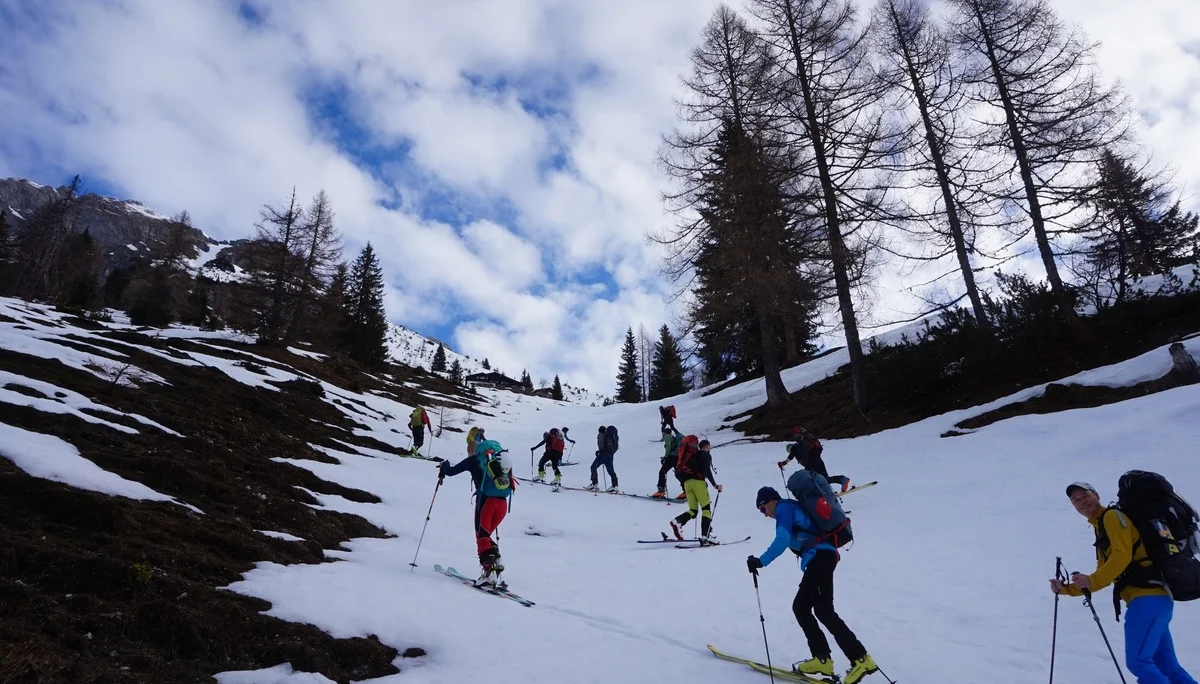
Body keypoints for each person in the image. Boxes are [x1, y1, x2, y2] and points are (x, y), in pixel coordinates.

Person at [1050, 482, 1196, 684]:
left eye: (1085, 495)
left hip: (1146, 599)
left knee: (1138, 662)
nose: (1081, 501)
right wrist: (1067, 589)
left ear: (1097, 495)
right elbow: (1106, 573)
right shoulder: (1101, 528)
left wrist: (1091, 579)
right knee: (1168, 666)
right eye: (1076, 499)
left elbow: (1121, 556)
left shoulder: (1111, 517)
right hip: (1155, 600)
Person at [747, 487, 877, 684]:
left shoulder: (784, 508)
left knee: (824, 611)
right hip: (820, 558)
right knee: (801, 607)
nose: (765, 515)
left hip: (820, 558)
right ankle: (822, 659)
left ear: (770, 501)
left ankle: (860, 659)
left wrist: (761, 561)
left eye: (763, 509)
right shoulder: (790, 508)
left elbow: (782, 539)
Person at [438, 438, 516, 588]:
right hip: (503, 504)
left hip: (485, 504)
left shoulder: (474, 460)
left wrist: (444, 465)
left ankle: (488, 574)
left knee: (481, 537)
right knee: (485, 536)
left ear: (471, 451)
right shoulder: (496, 459)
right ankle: (496, 561)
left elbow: (451, 471)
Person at [667, 438, 723, 544]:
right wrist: (715, 485)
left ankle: (677, 521)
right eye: (709, 447)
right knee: (706, 509)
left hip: (687, 483)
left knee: (693, 510)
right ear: (707, 446)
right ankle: (705, 536)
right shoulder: (705, 455)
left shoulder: (693, 455)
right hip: (698, 483)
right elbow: (707, 470)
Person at [779, 426, 849, 493]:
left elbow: (790, 457)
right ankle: (842, 479)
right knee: (824, 479)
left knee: (812, 481)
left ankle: (821, 494)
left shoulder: (795, 447)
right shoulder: (805, 445)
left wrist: (783, 463)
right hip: (818, 460)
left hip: (810, 463)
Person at [652, 425, 687, 500]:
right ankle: (686, 491)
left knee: (662, 472)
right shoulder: (674, 438)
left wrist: (666, 456)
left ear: (664, 433)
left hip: (671, 457)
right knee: (678, 474)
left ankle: (660, 491)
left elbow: (668, 446)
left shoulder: (667, 437)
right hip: (677, 458)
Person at [587, 425, 619, 493]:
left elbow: (601, 446)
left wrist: (599, 451)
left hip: (603, 455)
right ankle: (615, 485)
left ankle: (594, 483)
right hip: (610, 455)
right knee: (611, 471)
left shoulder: (601, 435)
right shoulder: (609, 437)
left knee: (593, 467)